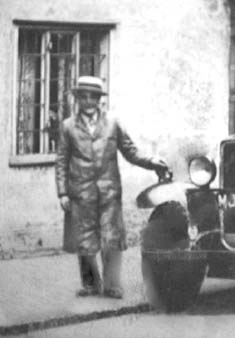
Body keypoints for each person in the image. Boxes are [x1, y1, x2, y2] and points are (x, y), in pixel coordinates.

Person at [55, 76, 169, 299]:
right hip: (81, 191)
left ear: (99, 99)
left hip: (109, 191)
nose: (88, 101)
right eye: (83, 97)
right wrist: (62, 192)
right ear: (78, 99)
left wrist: (152, 161)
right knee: (84, 239)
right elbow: (61, 160)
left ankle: (112, 285)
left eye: (92, 97)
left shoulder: (113, 123)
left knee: (112, 238)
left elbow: (130, 151)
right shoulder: (68, 126)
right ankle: (90, 285)